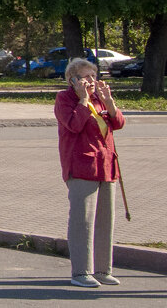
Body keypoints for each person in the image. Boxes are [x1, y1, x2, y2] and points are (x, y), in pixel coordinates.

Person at [55, 57, 125, 288]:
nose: (91, 81)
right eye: (85, 77)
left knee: (106, 220)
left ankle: (103, 269)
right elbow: (73, 125)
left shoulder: (100, 99)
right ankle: (81, 272)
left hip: (106, 165)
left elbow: (118, 123)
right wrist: (83, 101)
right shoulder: (64, 99)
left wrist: (110, 102)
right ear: (72, 80)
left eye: (93, 76)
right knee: (82, 221)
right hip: (82, 166)